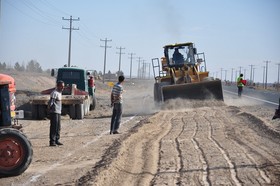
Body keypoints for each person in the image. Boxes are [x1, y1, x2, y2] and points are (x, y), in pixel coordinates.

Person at [48, 81, 64, 146]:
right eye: (62, 86)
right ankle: (52, 141)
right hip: (54, 112)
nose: (63, 87)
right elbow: (51, 102)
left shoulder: (59, 93)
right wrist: (49, 110)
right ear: (58, 86)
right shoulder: (54, 93)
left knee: (58, 127)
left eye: (63, 86)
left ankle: (57, 139)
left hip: (58, 111)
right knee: (54, 127)